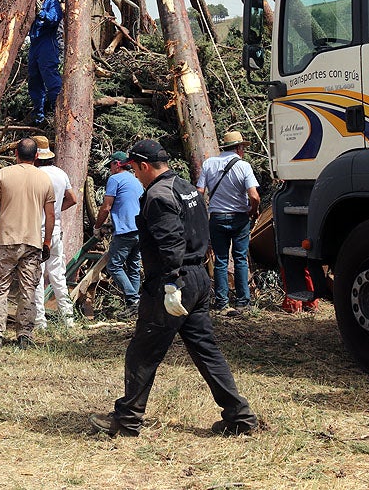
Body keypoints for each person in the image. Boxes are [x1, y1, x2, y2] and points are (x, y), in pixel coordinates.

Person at [90, 140, 259, 438]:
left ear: (143, 166)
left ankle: (127, 419)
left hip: (174, 280)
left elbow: (171, 243)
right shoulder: (186, 187)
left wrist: (170, 284)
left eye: (135, 169)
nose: (135, 176)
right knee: (206, 350)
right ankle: (240, 416)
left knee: (142, 352)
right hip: (197, 277)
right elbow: (201, 230)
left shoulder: (157, 195)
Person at [0, 138, 55, 349]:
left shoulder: (4, 174)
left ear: (16, 154)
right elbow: (50, 215)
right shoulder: (44, 179)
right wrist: (47, 241)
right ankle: (24, 335)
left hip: (5, 240)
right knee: (28, 290)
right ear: (37, 156)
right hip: (32, 242)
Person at [195, 130, 261, 316]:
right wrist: (253, 210)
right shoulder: (244, 166)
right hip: (239, 217)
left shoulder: (209, 163)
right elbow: (254, 196)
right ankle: (242, 302)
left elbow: (199, 191)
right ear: (239, 148)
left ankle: (222, 302)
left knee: (221, 261)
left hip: (216, 217)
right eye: (243, 148)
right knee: (240, 259)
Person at [31, 135, 77, 329]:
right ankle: (68, 318)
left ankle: (40, 322)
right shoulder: (60, 173)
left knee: (36, 276)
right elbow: (73, 199)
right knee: (58, 274)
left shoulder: (34, 175)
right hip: (55, 229)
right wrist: (56, 212)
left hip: (36, 231)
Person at [94, 151, 145, 318]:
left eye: (110, 164)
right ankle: (135, 307)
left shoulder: (115, 179)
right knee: (133, 266)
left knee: (114, 266)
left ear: (117, 164)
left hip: (126, 231)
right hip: (139, 229)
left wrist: (98, 226)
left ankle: (133, 299)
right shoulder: (135, 180)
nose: (109, 168)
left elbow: (106, 207)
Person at [27, 0, 64, 125]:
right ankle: (38, 115)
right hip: (34, 46)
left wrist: (41, 13)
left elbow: (54, 19)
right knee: (34, 79)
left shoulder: (51, 2)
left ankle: (59, 111)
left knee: (50, 76)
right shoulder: (28, 5)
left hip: (47, 45)